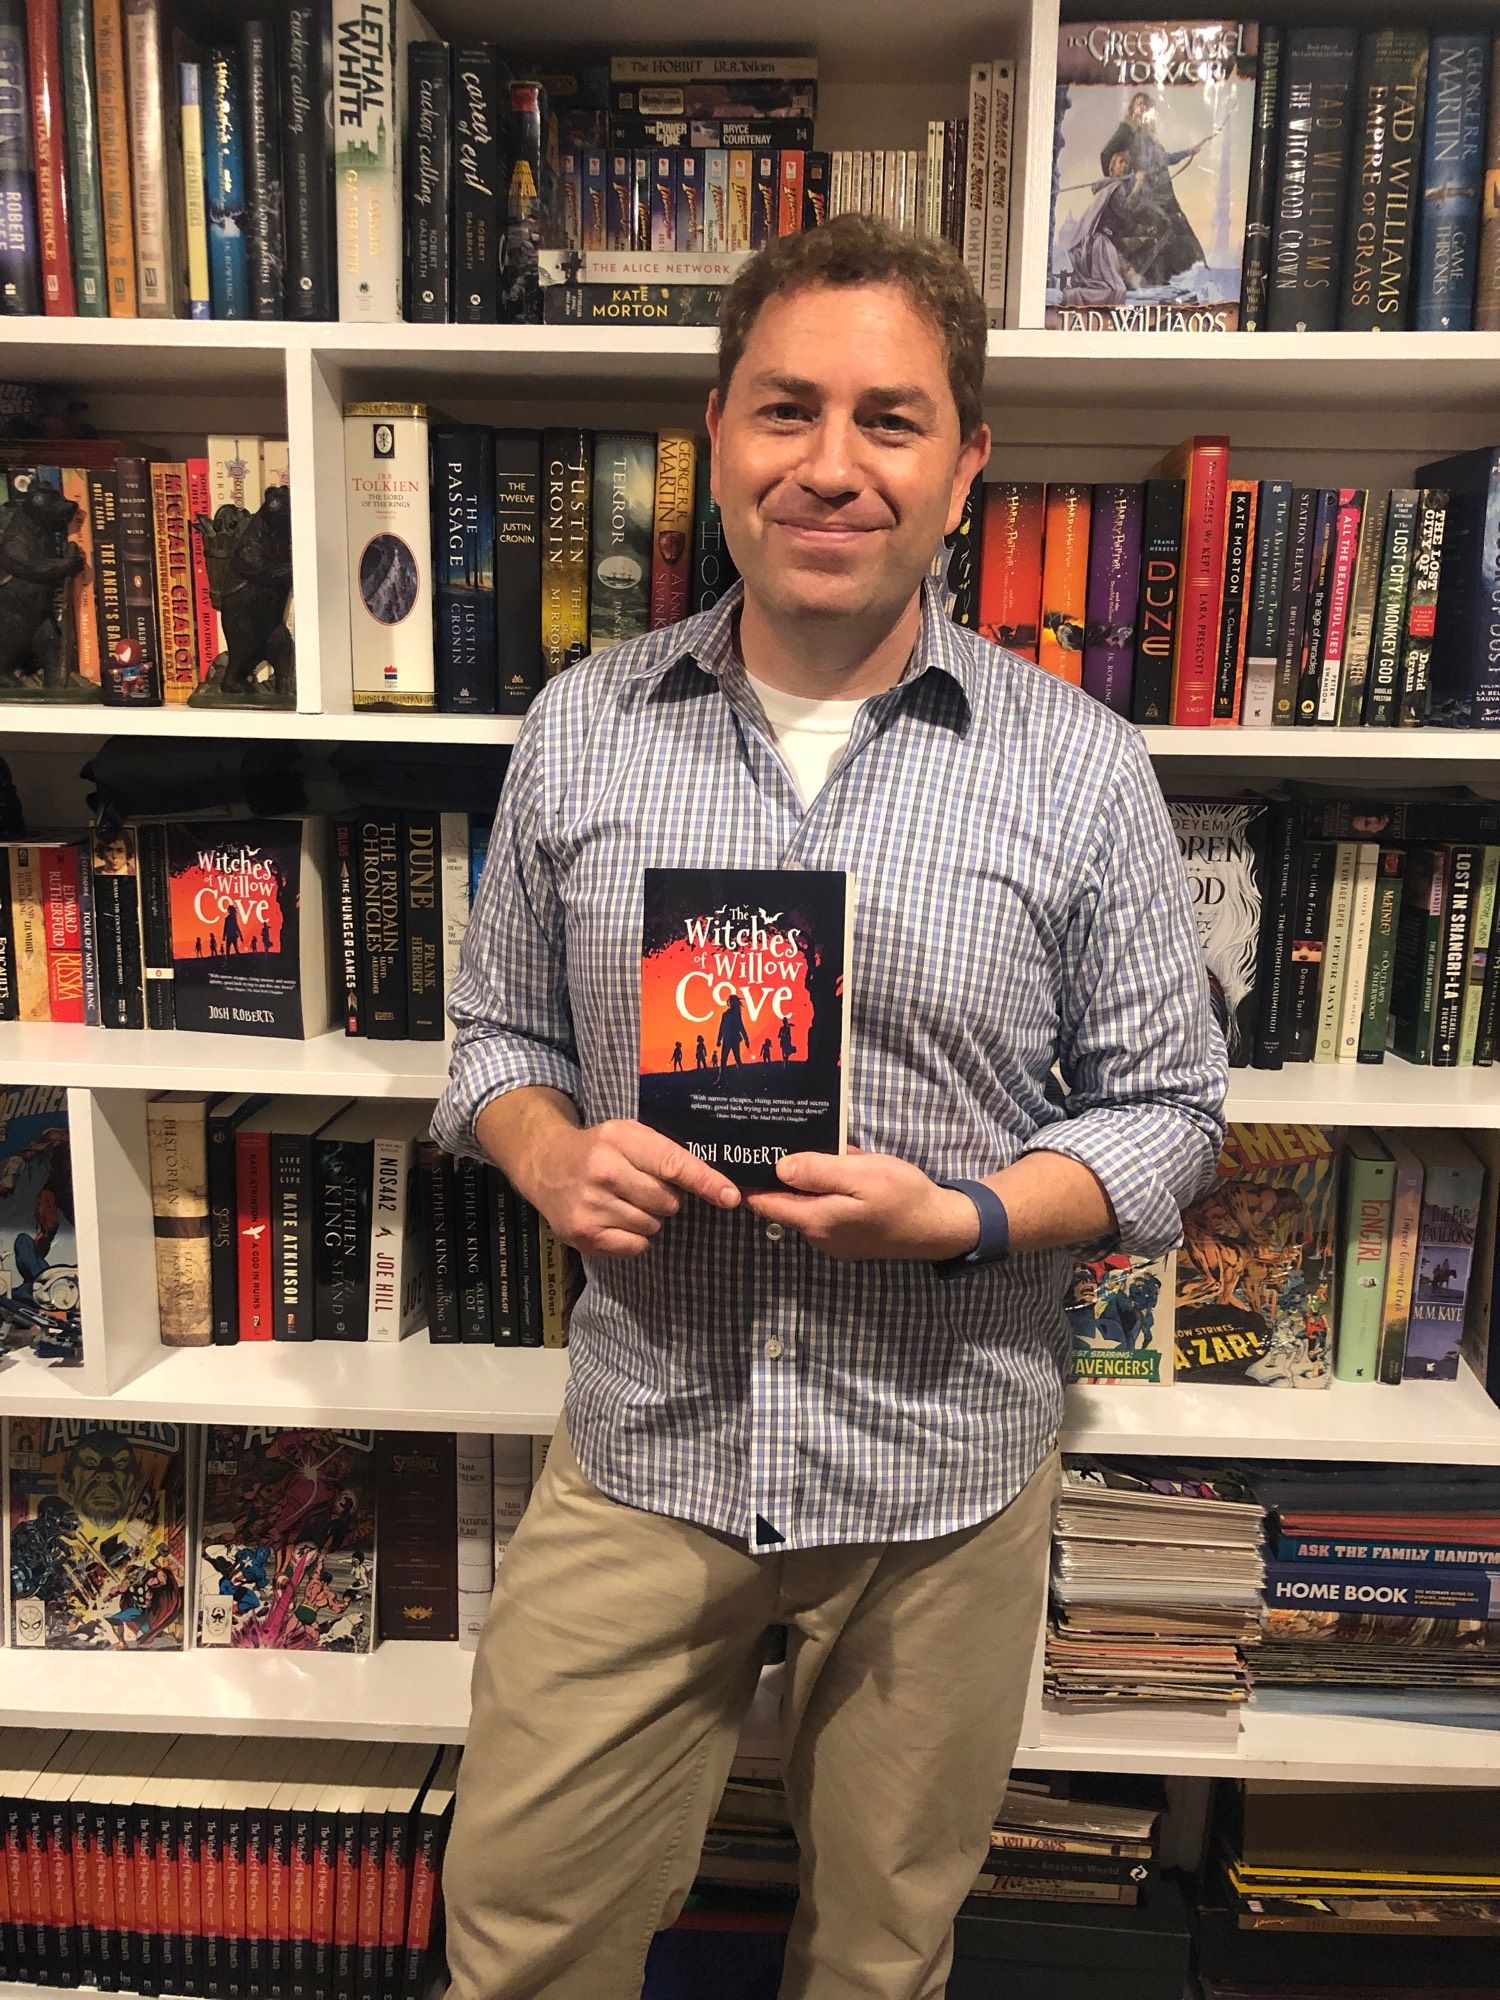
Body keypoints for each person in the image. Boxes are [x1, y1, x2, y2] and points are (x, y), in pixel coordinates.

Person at [432, 210, 1226, 2000]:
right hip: (651, 1449)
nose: (833, 465)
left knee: (880, 1959)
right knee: (520, 1942)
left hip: (941, 1476)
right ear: (716, 433)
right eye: (788, 409)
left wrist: (962, 1216)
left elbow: (1170, 1108)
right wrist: (550, 1153)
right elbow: (492, 1038)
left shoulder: (1082, 767)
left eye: (890, 419)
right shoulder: (581, 726)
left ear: (964, 469)